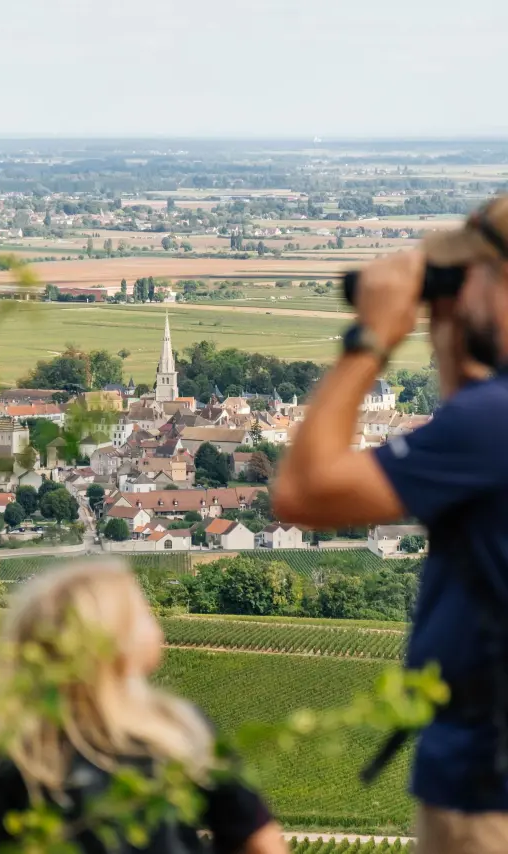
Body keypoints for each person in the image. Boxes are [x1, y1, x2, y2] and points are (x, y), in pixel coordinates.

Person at [273, 196, 508, 854]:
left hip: (487, 789)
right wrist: (454, 340)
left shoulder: (494, 422)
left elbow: (303, 491)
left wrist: (370, 339)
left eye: (467, 280)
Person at [0, 559, 286, 854]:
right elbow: (260, 842)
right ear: (115, 644)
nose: (153, 616)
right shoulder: (178, 733)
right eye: (141, 612)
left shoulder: (20, 759)